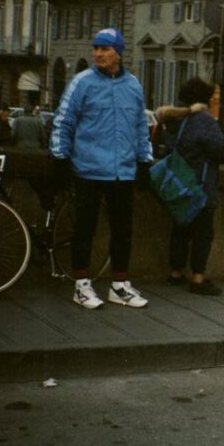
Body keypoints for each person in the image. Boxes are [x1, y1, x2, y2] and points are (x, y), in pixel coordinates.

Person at [50, 28, 153, 309]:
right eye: (95, 48)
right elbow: (64, 120)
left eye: (104, 49)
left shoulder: (133, 85)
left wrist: (145, 160)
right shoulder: (81, 82)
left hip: (123, 171)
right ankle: (81, 286)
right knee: (84, 230)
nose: (97, 53)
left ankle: (119, 285)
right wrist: (60, 157)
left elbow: (140, 126)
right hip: (89, 169)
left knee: (123, 230)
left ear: (118, 52)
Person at [157, 77, 224, 296]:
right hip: (199, 184)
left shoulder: (173, 119)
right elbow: (221, 150)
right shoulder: (203, 120)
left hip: (177, 183)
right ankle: (198, 278)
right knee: (203, 232)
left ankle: (175, 273)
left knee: (180, 230)